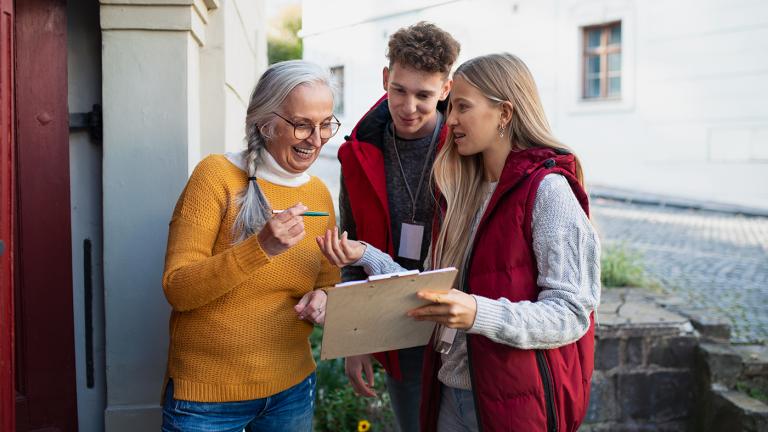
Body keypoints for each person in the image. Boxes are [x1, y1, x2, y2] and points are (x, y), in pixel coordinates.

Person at [319, 53, 600, 432]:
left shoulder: (548, 191)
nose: (448, 119)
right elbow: (435, 290)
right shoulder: (461, 189)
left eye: (462, 107)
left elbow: (571, 312)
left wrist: (476, 314)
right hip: (450, 393)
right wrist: (367, 256)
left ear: (504, 113)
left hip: (513, 401)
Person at [160, 60, 341, 432]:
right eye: (303, 124)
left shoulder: (319, 194)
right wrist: (260, 248)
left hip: (291, 389)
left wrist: (324, 298)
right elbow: (178, 288)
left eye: (326, 124)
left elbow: (328, 281)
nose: (317, 138)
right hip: (206, 398)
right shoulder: (216, 177)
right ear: (265, 123)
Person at [336, 21, 460, 432]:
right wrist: (357, 340)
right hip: (398, 318)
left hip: (464, 320)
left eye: (424, 95)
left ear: (446, 89)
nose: (409, 107)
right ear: (386, 79)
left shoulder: (466, 150)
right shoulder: (358, 153)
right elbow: (351, 245)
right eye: (399, 91)